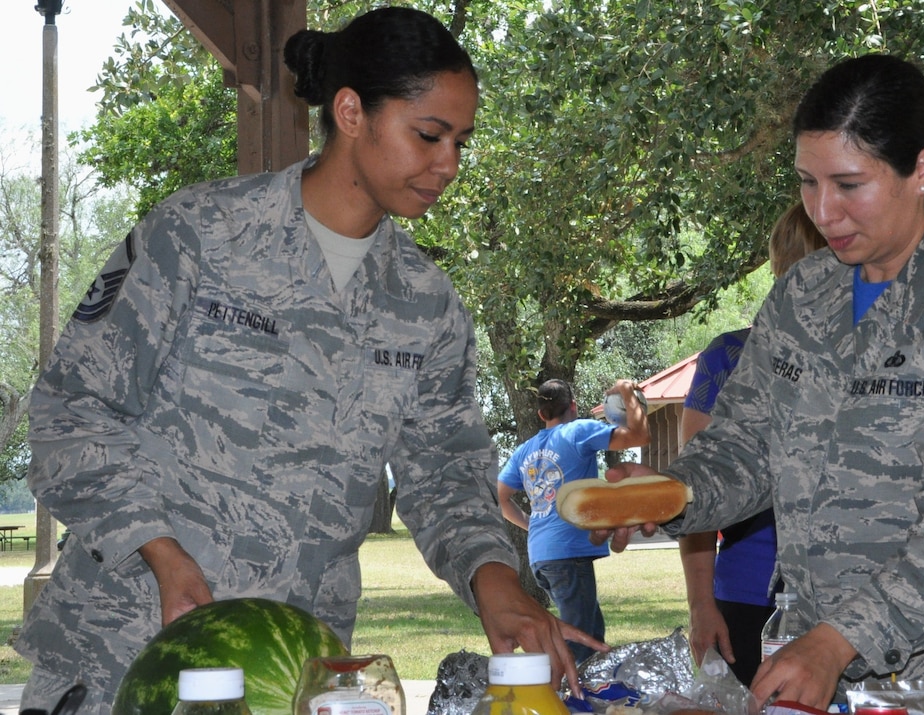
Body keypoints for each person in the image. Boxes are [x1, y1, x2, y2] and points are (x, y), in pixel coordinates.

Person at [16, 8, 601, 713]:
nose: (447, 163)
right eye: (428, 135)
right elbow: (68, 410)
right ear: (350, 112)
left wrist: (494, 578)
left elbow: (445, 474)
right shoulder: (199, 237)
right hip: (123, 655)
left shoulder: (427, 303)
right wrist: (162, 553)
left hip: (291, 676)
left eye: (459, 142)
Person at [596, 54, 924, 713]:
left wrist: (838, 641)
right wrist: (669, 493)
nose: (823, 210)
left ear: (921, 170)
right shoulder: (804, 296)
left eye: (849, 184)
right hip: (838, 682)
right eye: (807, 182)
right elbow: (743, 445)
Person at [678, 203, 825, 685]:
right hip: (747, 592)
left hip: (845, 597)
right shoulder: (730, 355)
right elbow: (697, 487)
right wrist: (700, 606)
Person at [497, 378, 649, 664]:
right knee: (579, 642)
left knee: (592, 634)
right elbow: (638, 436)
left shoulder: (524, 450)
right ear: (574, 406)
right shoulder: (579, 430)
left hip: (541, 555)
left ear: (542, 414)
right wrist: (629, 394)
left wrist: (535, 526)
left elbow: (501, 497)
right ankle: (564, 700)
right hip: (568, 554)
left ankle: (594, 696)